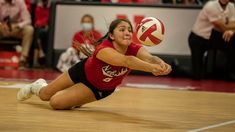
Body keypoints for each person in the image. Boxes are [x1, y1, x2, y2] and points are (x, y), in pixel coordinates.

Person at [17, 19, 171, 110]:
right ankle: (37, 86)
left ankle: (72, 98)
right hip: (81, 72)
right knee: (45, 95)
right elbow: (127, 61)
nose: (127, 33)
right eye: (122, 29)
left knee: (56, 103)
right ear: (111, 35)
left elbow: (150, 58)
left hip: (98, 88)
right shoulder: (104, 49)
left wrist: (161, 64)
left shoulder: (134, 48)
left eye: (130, 30)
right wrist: (152, 69)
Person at [188, 0, 235, 80]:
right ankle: (178, 68)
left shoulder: (231, 6)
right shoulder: (211, 6)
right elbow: (222, 27)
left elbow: (232, 24)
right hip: (198, 38)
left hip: (213, 37)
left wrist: (231, 31)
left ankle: (229, 73)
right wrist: (229, 25)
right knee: (197, 75)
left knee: (233, 43)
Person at [0, 0, 34, 68]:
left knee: (29, 29)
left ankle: (23, 59)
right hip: (2, 29)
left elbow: (28, 20)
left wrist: (18, 25)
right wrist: (1, 25)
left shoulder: (20, 2)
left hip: (16, 29)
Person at [33, 0, 51, 67]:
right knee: (38, 33)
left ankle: (36, 58)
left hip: (49, 28)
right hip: (40, 27)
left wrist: (45, 24)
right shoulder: (39, 6)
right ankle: (38, 58)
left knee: (41, 33)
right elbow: (37, 20)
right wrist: (42, 24)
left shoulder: (51, 5)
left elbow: (50, 18)